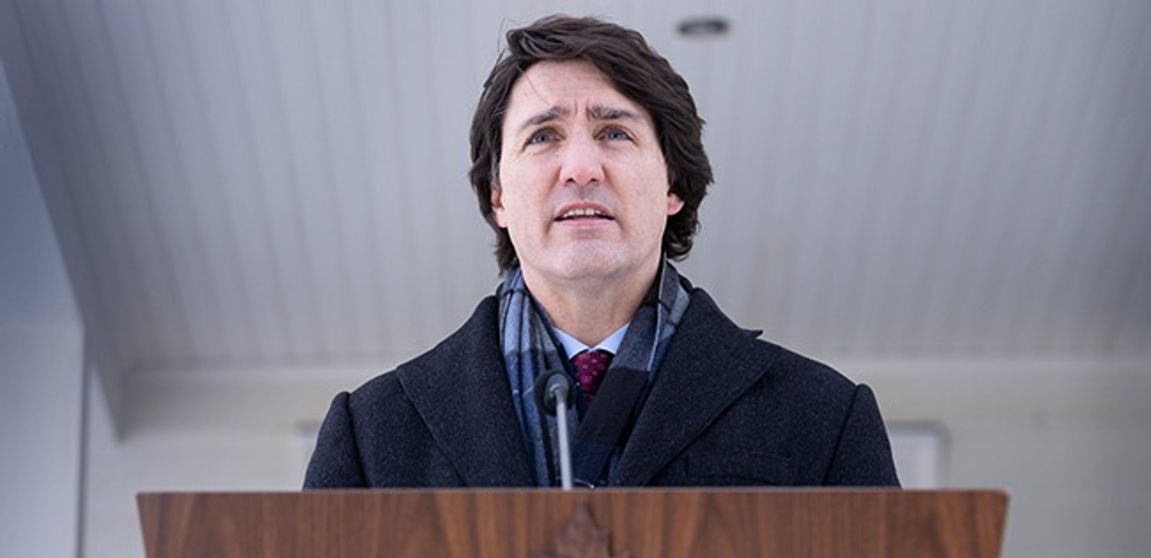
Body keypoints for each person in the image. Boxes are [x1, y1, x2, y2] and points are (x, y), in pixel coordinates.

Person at [305, 15, 899, 489]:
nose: (582, 169)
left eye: (615, 132)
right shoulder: (370, 434)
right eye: (543, 136)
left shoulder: (824, 416)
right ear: (498, 198)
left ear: (673, 185)